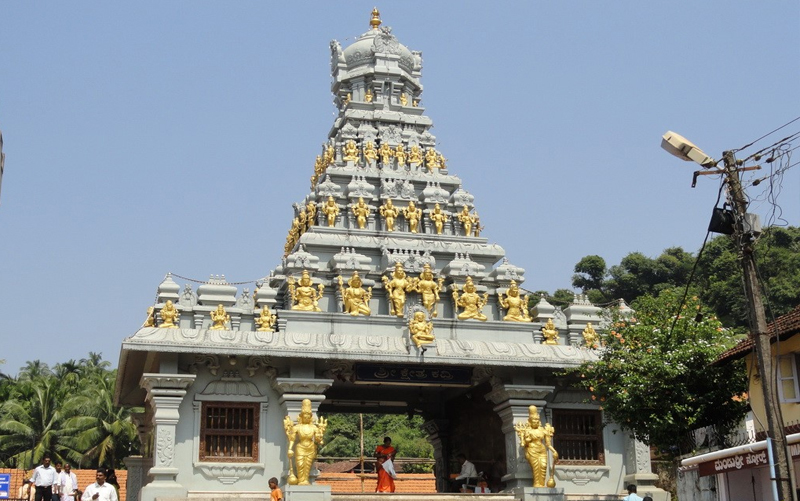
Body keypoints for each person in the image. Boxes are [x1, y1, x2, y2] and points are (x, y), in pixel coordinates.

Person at [283, 398, 328, 485]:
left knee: (307, 465)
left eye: (308, 416)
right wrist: (290, 449)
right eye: (304, 416)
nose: (306, 418)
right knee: (300, 465)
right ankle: (301, 480)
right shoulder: (297, 427)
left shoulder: (314, 427)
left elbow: (318, 440)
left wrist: (320, 436)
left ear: (310, 417)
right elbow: (292, 439)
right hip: (300, 447)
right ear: (301, 417)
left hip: (310, 448)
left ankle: (306, 480)